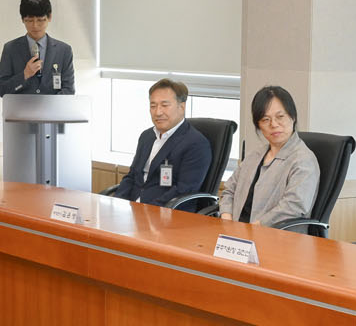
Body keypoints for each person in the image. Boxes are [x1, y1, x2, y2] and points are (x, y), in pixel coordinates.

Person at [213, 86, 320, 229]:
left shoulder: (303, 160)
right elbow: (229, 190)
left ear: (293, 117)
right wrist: (227, 220)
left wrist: (253, 229)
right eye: (265, 119)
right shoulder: (254, 156)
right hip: (237, 233)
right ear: (258, 125)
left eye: (280, 117)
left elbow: (294, 206)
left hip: (276, 237)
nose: (274, 124)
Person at [104, 78, 211, 207]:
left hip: (166, 212)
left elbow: (184, 190)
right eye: (153, 106)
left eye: (164, 105)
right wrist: (116, 202)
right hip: (133, 209)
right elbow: (132, 176)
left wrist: (146, 211)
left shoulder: (196, 144)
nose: (158, 112)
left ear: (182, 107)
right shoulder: (146, 136)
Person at [0, 0, 74, 96]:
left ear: (49, 17)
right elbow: (2, 90)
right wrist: (24, 75)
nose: (35, 25)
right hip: (20, 107)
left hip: (53, 107)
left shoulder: (64, 50)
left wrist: (49, 105)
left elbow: (69, 90)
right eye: (30, 20)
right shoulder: (10, 49)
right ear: (22, 19)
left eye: (40, 20)